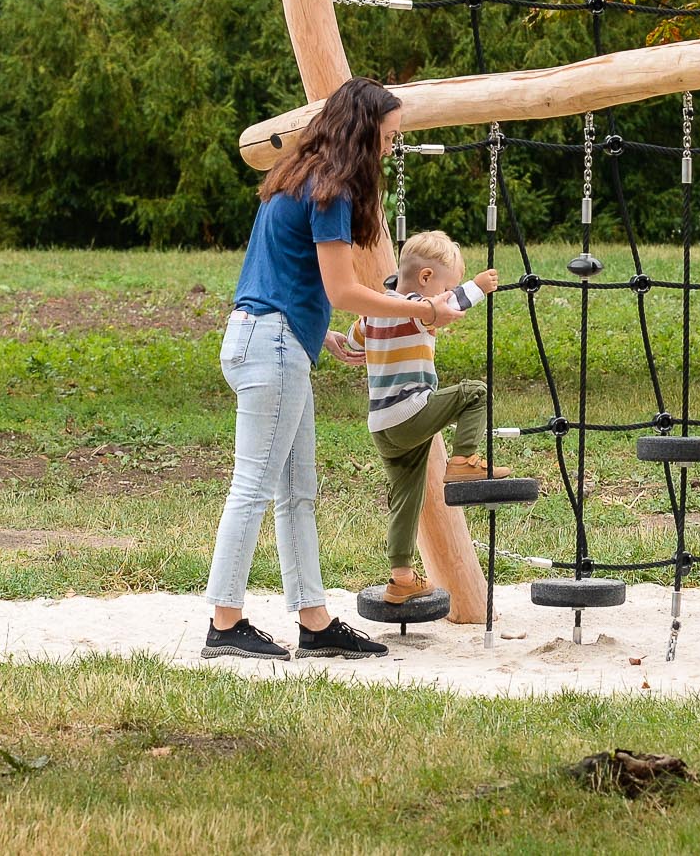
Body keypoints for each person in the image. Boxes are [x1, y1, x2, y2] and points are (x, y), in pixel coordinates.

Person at [202, 77, 465, 661]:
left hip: (268, 339)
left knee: (297, 492)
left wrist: (318, 332)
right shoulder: (333, 188)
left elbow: (280, 275)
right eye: (388, 136)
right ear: (364, 131)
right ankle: (224, 623)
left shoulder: (293, 175)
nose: (391, 147)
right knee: (253, 487)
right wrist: (423, 309)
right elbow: (344, 290)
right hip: (272, 347)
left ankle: (314, 621)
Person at [338, 230, 508, 604]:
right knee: (474, 392)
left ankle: (401, 578)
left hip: (381, 426)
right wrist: (479, 286)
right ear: (426, 278)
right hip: (410, 411)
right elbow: (451, 306)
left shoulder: (372, 312)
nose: (444, 297)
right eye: (443, 288)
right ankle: (463, 461)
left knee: (406, 497)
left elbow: (352, 342)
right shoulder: (416, 308)